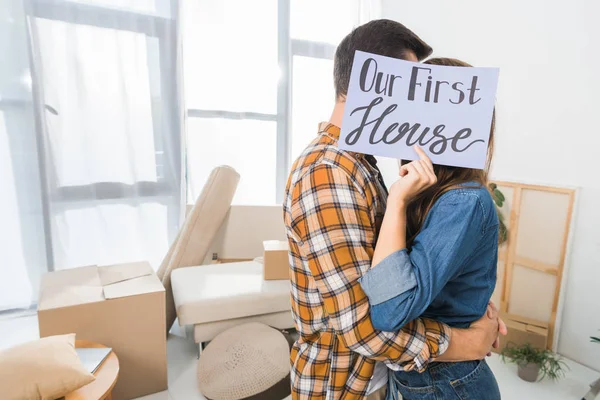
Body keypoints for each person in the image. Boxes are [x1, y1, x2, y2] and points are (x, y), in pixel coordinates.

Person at [283, 20, 506, 400]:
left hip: (384, 381)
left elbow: (398, 270)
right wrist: (467, 342)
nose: (419, 108)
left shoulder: (361, 166)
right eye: (411, 88)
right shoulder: (329, 173)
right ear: (373, 82)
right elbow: (366, 327)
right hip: (345, 386)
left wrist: (465, 297)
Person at [358, 57, 502, 400]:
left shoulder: (463, 201)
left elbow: (389, 312)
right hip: (423, 377)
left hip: (447, 382)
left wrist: (396, 203)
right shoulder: (429, 195)